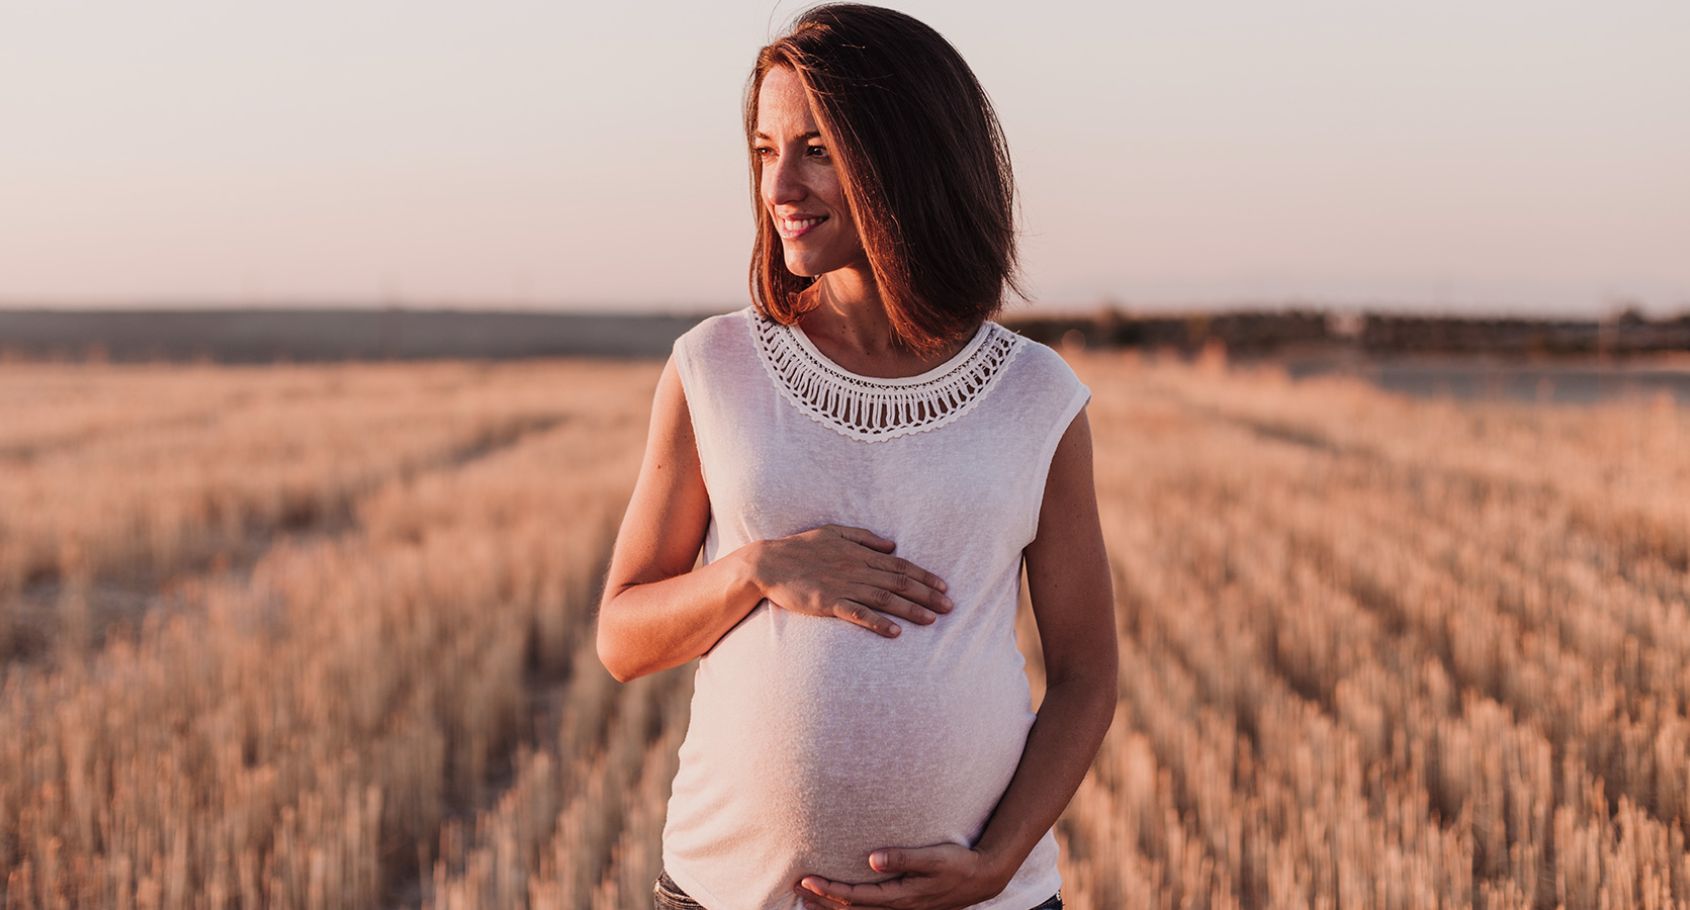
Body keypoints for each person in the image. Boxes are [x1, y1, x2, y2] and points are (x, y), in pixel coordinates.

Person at [596, 4, 1117, 909]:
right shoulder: (713, 367)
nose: (779, 186)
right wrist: (756, 570)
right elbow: (621, 639)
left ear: (906, 157)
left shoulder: (1035, 396)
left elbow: (1085, 675)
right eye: (765, 150)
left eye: (816, 150)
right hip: (727, 894)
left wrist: (997, 864)